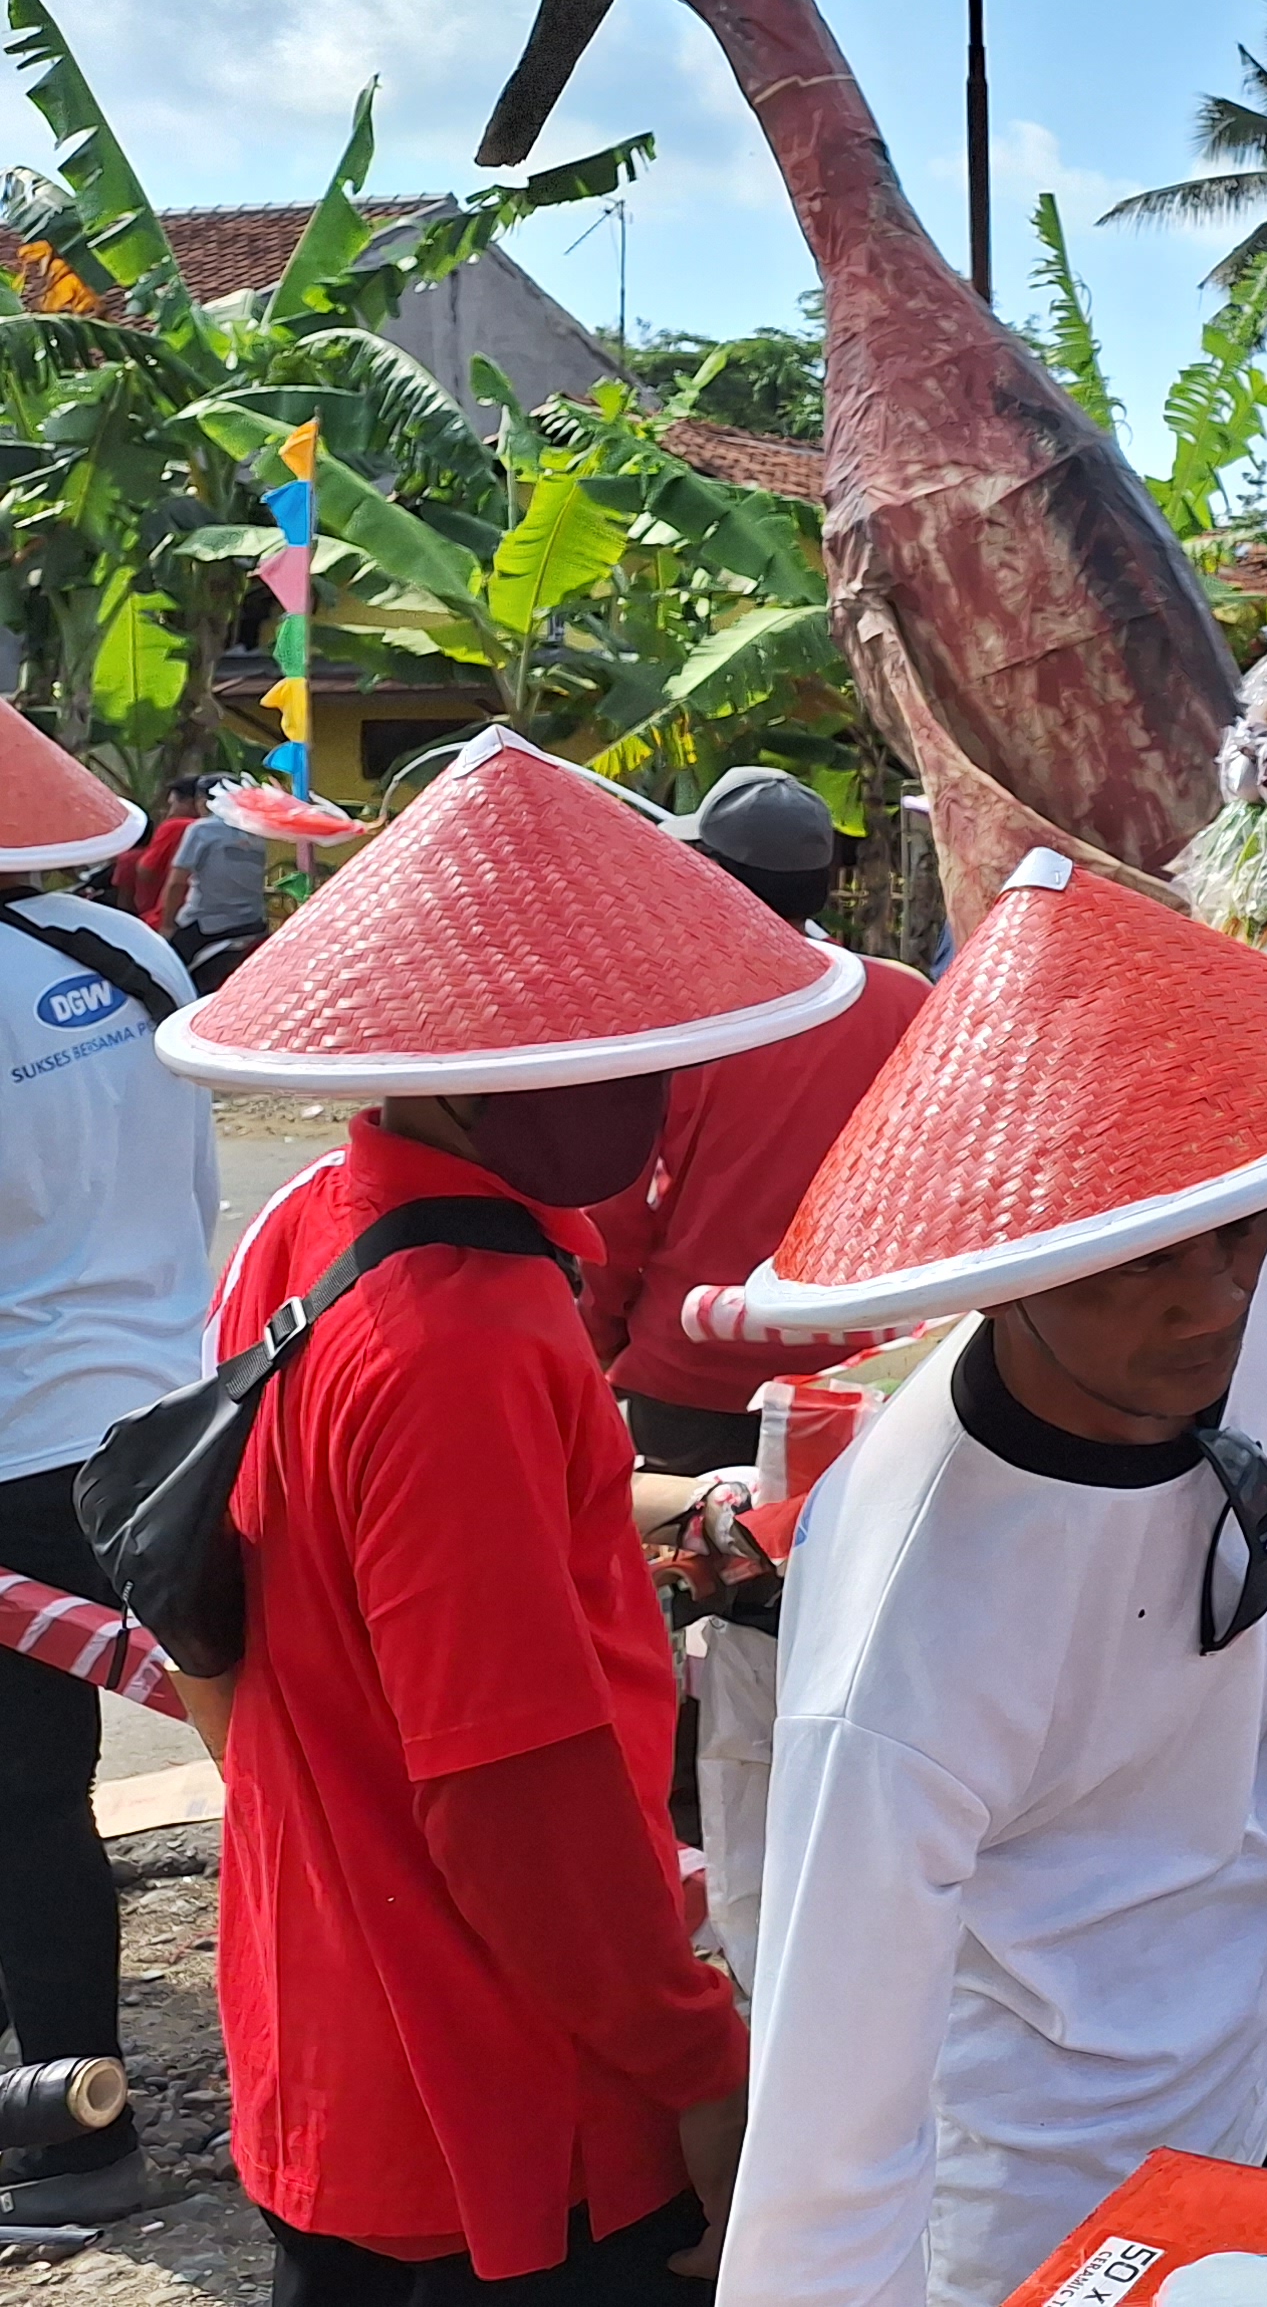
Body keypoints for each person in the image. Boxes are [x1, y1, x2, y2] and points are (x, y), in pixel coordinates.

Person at [714, 850, 1267, 2307]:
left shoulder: (1255, 1266)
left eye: (1225, 1241)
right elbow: (830, 2147)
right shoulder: (906, 1634)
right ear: (1008, 1263)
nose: (1203, 1301)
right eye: (1132, 1266)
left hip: (1253, 2066)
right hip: (1029, 2194)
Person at [147, 727, 873, 2304]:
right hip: (494, 2083)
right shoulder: (463, 1331)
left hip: (336, 2009)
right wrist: (693, 2060)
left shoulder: (321, 1231)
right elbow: (509, 1788)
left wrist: (645, 1504)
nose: (630, 1072)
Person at [0, 717, 217, 2228]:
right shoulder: (131, 953)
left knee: (24, 1799)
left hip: (12, 1450)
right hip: (176, 1426)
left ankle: (75, 2137)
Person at [583, 766, 933, 1475]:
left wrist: (599, 1338)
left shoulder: (673, 1018)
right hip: (864, 1375)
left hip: (689, 1370)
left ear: (711, 881)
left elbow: (614, 1213)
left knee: (687, 1575)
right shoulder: (906, 1000)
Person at [160, 779, 271, 985]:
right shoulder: (257, 831)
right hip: (253, 923)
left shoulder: (202, 829)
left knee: (165, 974)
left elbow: (177, 882)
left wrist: (167, 926)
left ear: (203, 801)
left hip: (206, 923)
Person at [107, 775, 201, 930]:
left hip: (165, 919)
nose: (170, 813)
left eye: (173, 805)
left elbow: (146, 871)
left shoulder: (177, 826)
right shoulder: (242, 829)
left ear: (191, 803)